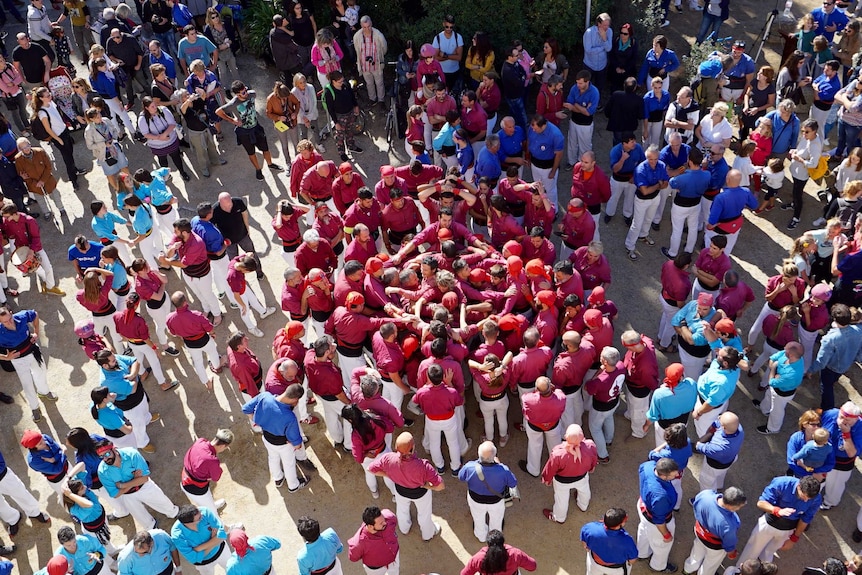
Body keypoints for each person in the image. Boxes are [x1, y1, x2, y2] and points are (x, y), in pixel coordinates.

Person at [368, 432, 444, 541]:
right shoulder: (424, 465)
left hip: (400, 491)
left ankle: (404, 529)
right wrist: (428, 486)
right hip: (420, 493)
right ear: (412, 447)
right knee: (424, 515)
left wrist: (388, 475)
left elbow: (370, 468)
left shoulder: (389, 458)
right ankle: (427, 534)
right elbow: (440, 486)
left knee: (402, 511)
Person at [735, 475, 821, 564]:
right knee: (752, 550)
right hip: (769, 523)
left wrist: (794, 538)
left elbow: (805, 519)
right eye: (804, 496)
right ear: (798, 486)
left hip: (788, 528)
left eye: (809, 499)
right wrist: (777, 511)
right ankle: (742, 570)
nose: (806, 501)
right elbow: (761, 503)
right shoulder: (782, 483)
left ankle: (763, 567)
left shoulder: (816, 498)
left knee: (769, 553)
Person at [242, 384, 312, 492]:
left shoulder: (265, 396)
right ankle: (293, 485)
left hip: (267, 438)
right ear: (295, 399)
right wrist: (296, 444)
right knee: (289, 464)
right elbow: (297, 444)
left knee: (273, 458)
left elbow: (245, 408)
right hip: (283, 444)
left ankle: (278, 479)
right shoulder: (290, 417)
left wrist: (257, 420)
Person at [95, 439, 179, 528]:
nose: (105, 459)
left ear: (114, 449)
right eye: (101, 457)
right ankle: (152, 527)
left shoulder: (132, 454)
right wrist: (135, 480)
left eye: (107, 454)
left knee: (166, 505)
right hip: (127, 496)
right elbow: (115, 494)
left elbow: (144, 479)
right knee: (145, 521)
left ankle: (173, 513)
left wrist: (122, 485)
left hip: (144, 487)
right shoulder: (102, 471)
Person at [216, 81, 283, 182]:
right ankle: (258, 169)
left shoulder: (252, 94)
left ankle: (270, 164)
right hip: (244, 132)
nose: (246, 93)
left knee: (265, 149)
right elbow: (218, 111)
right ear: (237, 94)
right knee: (251, 153)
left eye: (245, 90)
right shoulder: (233, 103)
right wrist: (233, 120)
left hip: (256, 127)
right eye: (243, 93)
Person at [0, 306, 56, 421]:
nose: (9, 322)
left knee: (41, 372)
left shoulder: (21, 316)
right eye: (5, 322)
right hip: (18, 359)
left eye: (9, 318)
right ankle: (35, 408)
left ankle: (44, 392)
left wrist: (36, 332)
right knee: (27, 384)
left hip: (33, 351)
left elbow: (34, 314)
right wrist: (6, 357)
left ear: (11, 313)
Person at [806, 304, 862, 410]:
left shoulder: (830, 338)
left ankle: (827, 408)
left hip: (831, 367)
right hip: (846, 364)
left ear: (834, 319)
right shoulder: (859, 330)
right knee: (835, 377)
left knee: (826, 387)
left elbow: (821, 361)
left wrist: (810, 370)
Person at [540, 423, 598, 523]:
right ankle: (583, 506)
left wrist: (547, 479)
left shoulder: (558, 453)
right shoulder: (590, 445)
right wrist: (592, 467)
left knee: (561, 499)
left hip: (562, 481)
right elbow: (594, 458)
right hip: (582, 477)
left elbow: (551, 468)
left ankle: (559, 518)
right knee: (585, 491)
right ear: (582, 436)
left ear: (566, 437)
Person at [165, 291, 223, 390]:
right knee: (213, 353)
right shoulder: (196, 315)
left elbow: (173, 333)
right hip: (204, 339)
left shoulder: (169, 318)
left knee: (198, 363)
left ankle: (207, 383)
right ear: (185, 302)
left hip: (189, 343)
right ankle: (217, 366)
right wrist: (212, 334)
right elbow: (209, 328)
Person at [636, 457, 680, 573]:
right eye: (673, 475)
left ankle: (642, 553)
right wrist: (666, 534)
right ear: (663, 476)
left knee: (643, 530)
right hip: (655, 518)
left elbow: (652, 455)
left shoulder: (648, 466)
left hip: (643, 505)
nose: (676, 476)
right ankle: (658, 566)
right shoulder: (661, 496)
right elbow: (659, 520)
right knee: (662, 546)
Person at [625, 145, 668, 260]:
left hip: (655, 197)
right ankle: (629, 246)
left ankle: (643, 235)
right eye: (650, 159)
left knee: (649, 218)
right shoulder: (640, 170)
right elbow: (644, 191)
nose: (653, 162)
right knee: (637, 224)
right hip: (642, 200)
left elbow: (666, 185)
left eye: (655, 159)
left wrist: (657, 186)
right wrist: (658, 184)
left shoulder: (662, 165)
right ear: (646, 158)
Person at [754, 342, 805, 434]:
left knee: (776, 411)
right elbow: (773, 358)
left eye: (786, 350)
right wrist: (774, 371)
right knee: (768, 396)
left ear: (791, 354)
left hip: (782, 394)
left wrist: (773, 367)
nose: (783, 350)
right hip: (776, 387)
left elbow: (771, 382)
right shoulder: (791, 356)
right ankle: (764, 409)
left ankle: (773, 428)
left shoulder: (791, 374)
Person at [180, 430, 233, 514]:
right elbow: (216, 477)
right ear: (223, 446)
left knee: (208, 504)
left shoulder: (200, 441)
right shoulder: (212, 461)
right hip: (196, 489)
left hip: (185, 478)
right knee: (212, 512)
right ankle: (221, 527)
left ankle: (210, 504)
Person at [785, 118, 824, 230]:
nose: (804, 134)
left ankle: (796, 217)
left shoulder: (815, 145)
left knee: (798, 195)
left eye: (807, 132)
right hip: (796, 170)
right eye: (803, 131)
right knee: (795, 191)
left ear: (814, 131)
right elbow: (800, 148)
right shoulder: (806, 138)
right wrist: (794, 151)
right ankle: (793, 205)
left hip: (801, 174)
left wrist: (799, 159)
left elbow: (813, 164)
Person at [170, 505, 229, 575]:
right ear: (189, 523)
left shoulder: (204, 511)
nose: (202, 515)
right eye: (199, 517)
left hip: (222, 551)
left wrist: (199, 548)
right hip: (204, 565)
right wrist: (214, 542)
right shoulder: (177, 536)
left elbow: (222, 534)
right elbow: (194, 558)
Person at [694, 411, 744, 492]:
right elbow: (717, 424)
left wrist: (708, 434)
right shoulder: (738, 428)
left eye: (720, 419)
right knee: (720, 474)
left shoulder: (719, 447)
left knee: (706, 482)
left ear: (724, 428)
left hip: (714, 466)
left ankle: (707, 497)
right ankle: (719, 485)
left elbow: (698, 446)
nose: (718, 417)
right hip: (730, 459)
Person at [580, 507, 638, 574]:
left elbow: (584, 544)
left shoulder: (590, 528)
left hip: (594, 562)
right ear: (619, 525)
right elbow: (632, 560)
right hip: (615, 569)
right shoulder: (627, 541)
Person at [347, 506, 400, 575]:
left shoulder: (388, 517)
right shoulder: (360, 542)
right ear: (370, 526)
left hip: (394, 557)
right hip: (377, 569)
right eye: (381, 523)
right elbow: (353, 557)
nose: (385, 523)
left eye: (384, 520)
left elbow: (394, 520)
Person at [563, 70, 599, 170]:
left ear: (587, 82)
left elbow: (589, 113)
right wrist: (582, 108)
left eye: (580, 83)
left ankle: (583, 164)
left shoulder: (594, 92)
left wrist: (575, 105)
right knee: (572, 143)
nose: (578, 85)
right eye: (577, 82)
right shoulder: (574, 88)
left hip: (586, 124)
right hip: (573, 121)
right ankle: (571, 162)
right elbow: (569, 105)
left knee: (585, 146)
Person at [461, 530, 537, 575]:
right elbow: (532, 566)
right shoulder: (515, 554)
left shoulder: (478, 559)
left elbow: (464, 574)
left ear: (488, 544)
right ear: (502, 542)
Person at [353, 16, 387, 107]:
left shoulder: (378, 35)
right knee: (369, 83)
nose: (367, 29)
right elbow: (357, 50)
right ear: (361, 26)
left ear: (371, 24)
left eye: (368, 26)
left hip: (377, 64)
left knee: (379, 83)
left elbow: (384, 48)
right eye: (364, 27)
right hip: (364, 66)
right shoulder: (357, 36)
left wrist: (379, 57)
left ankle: (381, 100)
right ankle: (372, 99)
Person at [117, 529, 181, 575]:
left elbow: (173, 548)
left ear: (151, 544)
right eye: (136, 552)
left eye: (143, 553)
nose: (139, 555)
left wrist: (178, 569)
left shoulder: (162, 536)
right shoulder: (126, 557)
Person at [432, 15, 463, 91]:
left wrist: (444, 55)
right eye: (447, 27)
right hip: (441, 72)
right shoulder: (437, 38)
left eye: (451, 27)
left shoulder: (458, 37)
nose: (449, 29)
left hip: (455, 72)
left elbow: (459, 57)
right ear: (443, 24)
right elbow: (435, 58)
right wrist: (453, 55)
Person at [269, 14, 302, 84]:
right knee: (299, 78)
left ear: (274, 24)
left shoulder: (272, 33)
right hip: (291, 63)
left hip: (280, 62)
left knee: (288, 81)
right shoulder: (285, 38)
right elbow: (295, 47)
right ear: (283, 22)